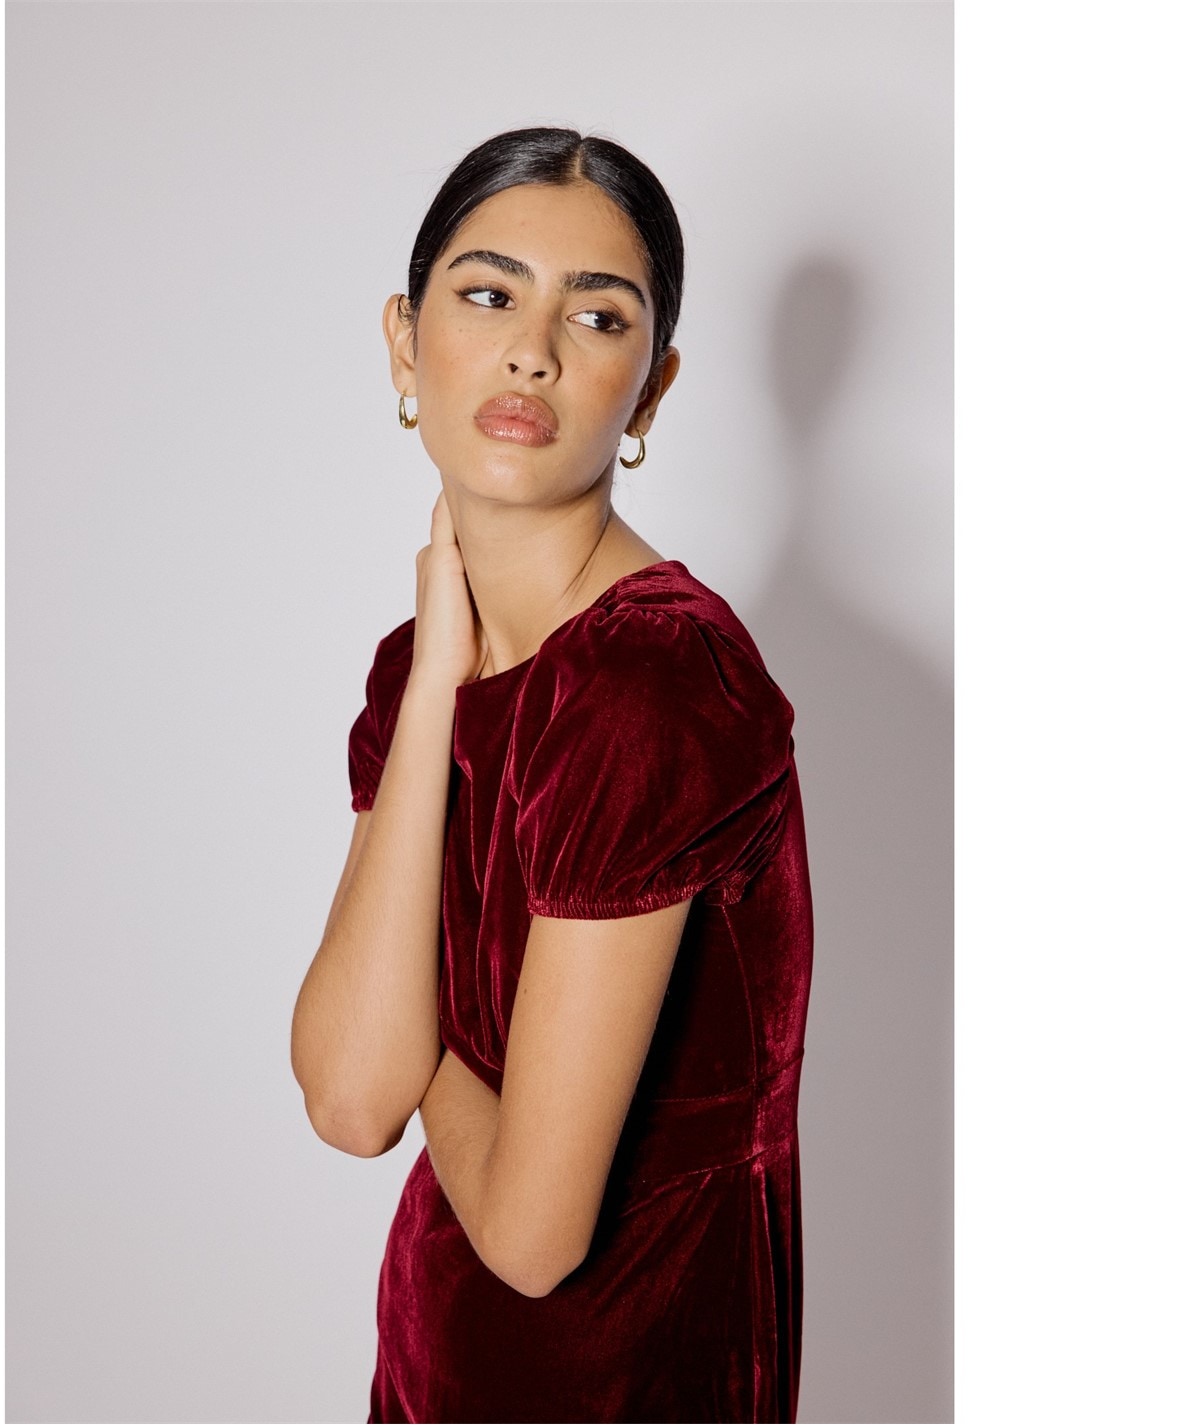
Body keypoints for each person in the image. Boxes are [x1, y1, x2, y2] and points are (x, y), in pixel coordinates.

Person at [290, 126, 814, 1424]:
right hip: (435, 1362)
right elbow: (349, 1100)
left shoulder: (650, 684)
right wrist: (434, 681)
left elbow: (531, 1234)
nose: (533, 350)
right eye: (488, 295)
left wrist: (407, 1026)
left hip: (628, 1381)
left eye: (595, 316)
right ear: (404, 341)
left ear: (652, 389)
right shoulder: (420, 663)